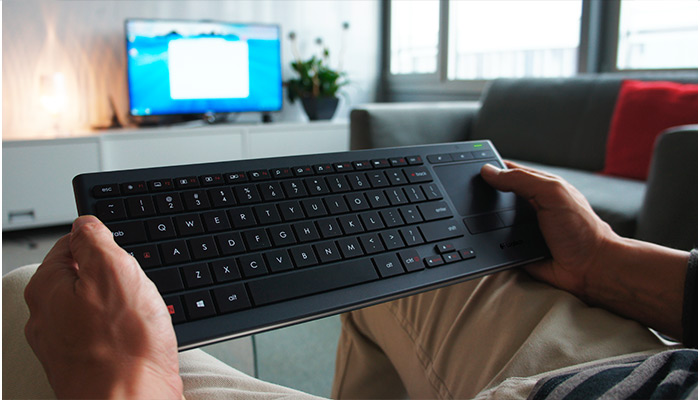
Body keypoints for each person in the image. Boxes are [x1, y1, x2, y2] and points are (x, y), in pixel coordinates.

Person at [5, 161, 697, 399]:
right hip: (654, 373)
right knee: (431, 245)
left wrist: (127, 381)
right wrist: (603, 261)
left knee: (26, 290)